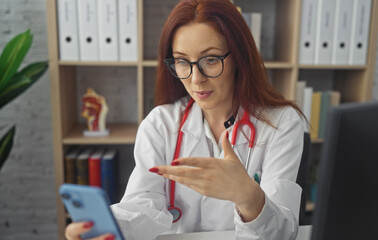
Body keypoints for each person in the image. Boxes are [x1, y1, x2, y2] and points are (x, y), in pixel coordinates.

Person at [65, 0, 304, 239]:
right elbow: (143, 203)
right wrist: (110, 226)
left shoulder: (281, 123)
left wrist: (250, 198)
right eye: (182, 61)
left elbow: (284, 232)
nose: (196, 79)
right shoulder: (160, 124)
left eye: (210, 59)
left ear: (239, 57)